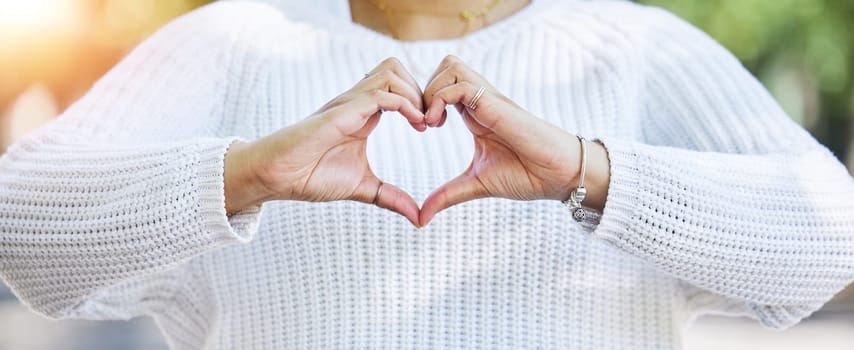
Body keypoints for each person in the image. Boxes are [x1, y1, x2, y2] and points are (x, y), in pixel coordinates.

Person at [1, 0, 852, 349]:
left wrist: (593, 176)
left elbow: (828, 244)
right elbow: (20, 234)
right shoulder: (234, 43)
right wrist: (248, 174)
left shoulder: (628, 46)